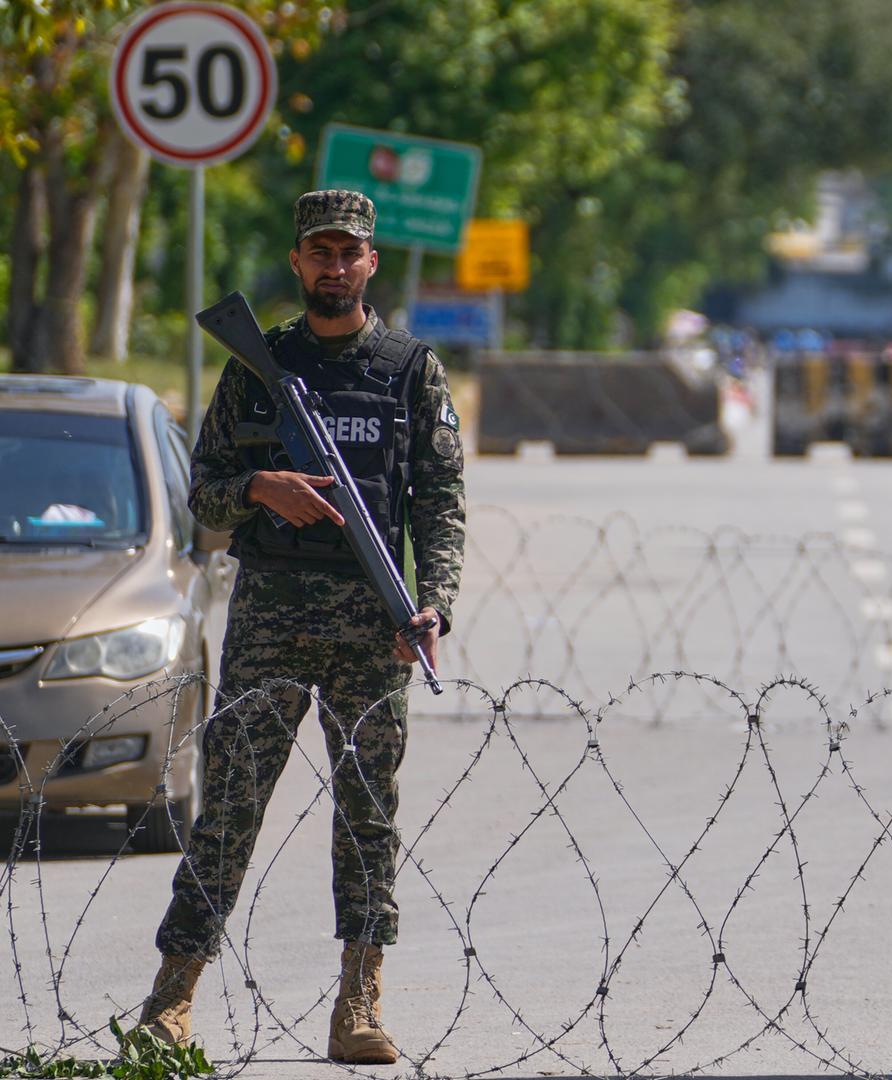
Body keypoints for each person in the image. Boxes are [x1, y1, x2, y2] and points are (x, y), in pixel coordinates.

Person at [134, 190, 467, 1065]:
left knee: (368, 816)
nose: (333, 264)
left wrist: (433, 602)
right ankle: (172, 996)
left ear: (371, 263)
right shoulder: (256, 364)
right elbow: (201, 488)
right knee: (231, 808)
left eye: (348, 251)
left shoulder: (407, 369)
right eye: (318, 250)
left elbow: (440, 506)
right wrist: (259, 488)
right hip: (271, 617)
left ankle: (359, 1001)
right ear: (296, 261)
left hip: (373, 626)